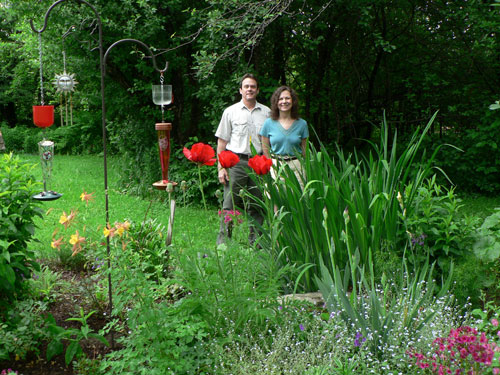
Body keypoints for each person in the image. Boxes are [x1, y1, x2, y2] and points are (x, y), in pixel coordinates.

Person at [215, 73, 271, 245]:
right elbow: (222, 141)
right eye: (246, 86)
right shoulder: (230, 112)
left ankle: (257, 243)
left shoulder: (267, 113)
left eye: (253, 86)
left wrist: (269, 165)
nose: (249, 89)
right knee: (229, 204)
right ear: (240, 90)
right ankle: (224, 244)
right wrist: (221, 167)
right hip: (235, 162)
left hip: (258, 162)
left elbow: (268, 142)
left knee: (258, 204)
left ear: (257, 90)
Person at [259, 86, 309, 185]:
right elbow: (265, 148)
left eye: (287, 98)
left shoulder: (302, 124)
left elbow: (305, 150)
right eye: (280, 99)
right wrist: (271, 167)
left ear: (293, 101)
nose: (284, 101)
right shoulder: (268, 123)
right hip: (276, 166)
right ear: (276, 102)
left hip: (297, 167)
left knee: (298, 198)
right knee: (276, 198)